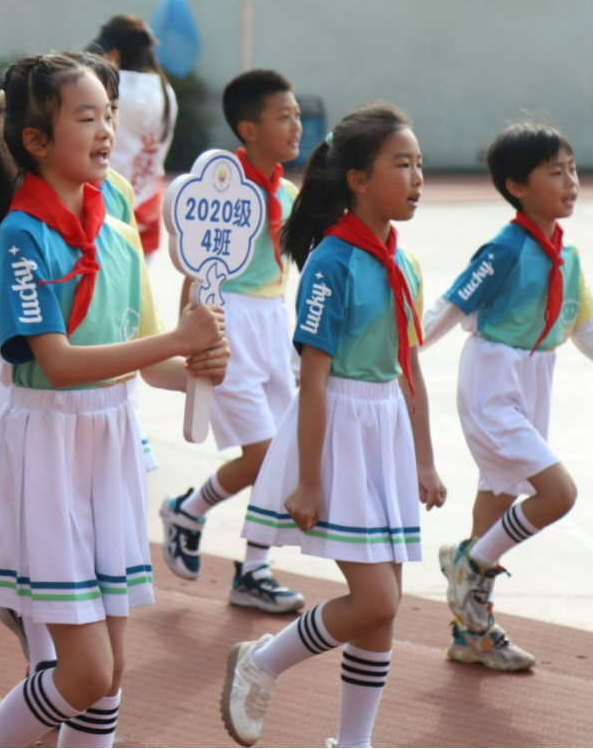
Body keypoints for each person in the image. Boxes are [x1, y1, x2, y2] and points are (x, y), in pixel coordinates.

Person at [0, 52, 228, 748]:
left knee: (109, 675)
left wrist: (200, 368)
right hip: (50, 452)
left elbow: (149, 363)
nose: (106, 130)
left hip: (109, 448)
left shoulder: (116, 232)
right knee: (84, 672)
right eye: (87, 117)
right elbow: (56, 365)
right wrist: (178, 340)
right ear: (35, 140)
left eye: (109, 116)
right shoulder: (20, 237)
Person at [221, 103, 445, 749]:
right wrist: (310, 480)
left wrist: (424, 459)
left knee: (384, 610)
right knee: (374, 600)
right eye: (401, 164)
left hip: (386, 433)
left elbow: (410, 369)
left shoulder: (405, 263)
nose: (417, 177)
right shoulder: (333, 262)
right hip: (340, 432)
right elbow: (313, 380)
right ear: (358, 179)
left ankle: (353, 743)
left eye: (420, 164)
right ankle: (262, 663)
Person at [424, 122, 593, 671]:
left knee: (498, 496)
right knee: (558, 494)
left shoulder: (566, 255)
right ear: (517, 186)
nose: (571, 181)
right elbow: (450, 307)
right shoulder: (505, 249)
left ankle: (471, 632)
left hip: (536, 380)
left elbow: (591, 330)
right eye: (555, 172)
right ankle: (469, 563)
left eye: (572, 169)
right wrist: (398, 353)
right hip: (494, 381)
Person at [162, 69, 305, 614]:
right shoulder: (219, 188)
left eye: (296, 115)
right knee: (264, 454)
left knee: (283, 454)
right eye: (283, 116)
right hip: (228, 320)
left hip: (273, 320)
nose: (296, 126)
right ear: (249, 129)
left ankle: (249, 566)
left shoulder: (287, 194)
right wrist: (190, 335)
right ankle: (192, 511)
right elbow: (196, 263)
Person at [89, 15, 177, 259]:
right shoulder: (166, 90)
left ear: (114, 54)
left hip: (108, 200)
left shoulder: (108, 90)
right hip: (148, 201)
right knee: (140, 277)